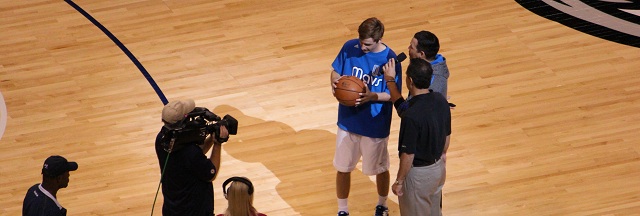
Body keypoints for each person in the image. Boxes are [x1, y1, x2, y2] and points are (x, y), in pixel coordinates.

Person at [330, 17, 402, 216]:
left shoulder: (390, 59)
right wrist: (335, 83)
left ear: (379, 39)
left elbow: (394, 94)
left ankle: (382, 205)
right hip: (347, 121)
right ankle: (342, 210)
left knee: (380, 168)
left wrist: (372, 96)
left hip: (374, 125)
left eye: (367, 44)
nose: (362, 46)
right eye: (361, 41)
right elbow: (335, 71)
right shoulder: (349, 47)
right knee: (343, 168)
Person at [389, 58, 451, 216]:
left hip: (418, 176)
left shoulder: (411, 116)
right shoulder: (440, 101)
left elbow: (408, 154)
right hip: (438, 170)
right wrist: (390, 82)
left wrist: (399, 181)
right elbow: (446, 136)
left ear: (409, 80)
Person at [155, 99, 229, 216]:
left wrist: (211, 136)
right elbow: (211, 173)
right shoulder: (190, 152)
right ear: (185, 120)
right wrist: (218, 143)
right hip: (194, 210)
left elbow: (192, 159)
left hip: (172, 208)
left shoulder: (161, 139)